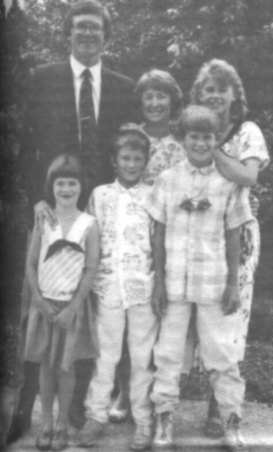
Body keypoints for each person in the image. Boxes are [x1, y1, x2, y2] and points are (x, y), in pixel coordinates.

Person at [8, 0, 137, 442]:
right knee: (39, 303)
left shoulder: (122, 86)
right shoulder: (43, 79)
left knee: (90, 308)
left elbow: (130, 152)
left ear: (106, 36)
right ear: (68, 34)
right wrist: (35, 200)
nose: (87, 34)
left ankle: (79, 407)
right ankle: (26, 410)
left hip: (99, 211)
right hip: (53, 206)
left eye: (95, 28)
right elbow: (26, 145)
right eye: (80, 27)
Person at [147, 105, 253, 451]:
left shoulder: (228, 183)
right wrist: (159, 283)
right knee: (168, 353)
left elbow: (235, 234)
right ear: (183, 138)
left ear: (217, 139)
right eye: (194, 136)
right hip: (175, 282)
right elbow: (158, 235)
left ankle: (232, 421)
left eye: (208, 136)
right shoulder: (167, 179)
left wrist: (233, 283)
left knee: (222, 354)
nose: (201, 142)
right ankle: (164, 419)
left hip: (214, 280)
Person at [189, 58, 269, 441]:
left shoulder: (247, 132)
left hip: (236, 232)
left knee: (229, 317)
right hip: (195, 233)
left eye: (223, 88)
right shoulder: (193, 130)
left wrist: (210, 150)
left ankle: (219, 409)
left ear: (235, 94)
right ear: (199, 95)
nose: (216, 95)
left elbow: (248, 175)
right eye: (209, 88)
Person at [109, 68, 185, 424]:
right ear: (140, 101)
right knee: (127, 322)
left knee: (157, 323)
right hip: (129, 243)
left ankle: (156, 397)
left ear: (173, 101)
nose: (155, 103)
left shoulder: (181, 146)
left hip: (167, 242)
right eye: (148, 96)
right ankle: (125, 393)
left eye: (161, 96)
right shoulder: (128, 137)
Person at [77, 127, 158, 451]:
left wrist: (157, 283)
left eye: (138, 158)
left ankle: (143, 421)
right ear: (114, 160)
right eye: (125, 158)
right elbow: (90, 239)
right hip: (109, 285)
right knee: (106, 355)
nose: (131, 164)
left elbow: (158, 241)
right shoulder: (100, 195)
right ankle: (95, 415)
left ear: (145, 162)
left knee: (141, 357)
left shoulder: (153, 195)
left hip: (142, 286)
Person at [23, 154, 99, 451]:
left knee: (66, 369)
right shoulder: (44, 220)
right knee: (45, 367)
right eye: (60, 183)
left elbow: (91, 268)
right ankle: (47, 424)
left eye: (72, 183)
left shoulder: (88, 224)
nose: (66, 189)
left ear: (81, 187)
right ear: (50, 187)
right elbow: (31, 265)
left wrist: (72, 307)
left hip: (71, 309)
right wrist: (39, 302)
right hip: (45, 305)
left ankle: (63, 423)